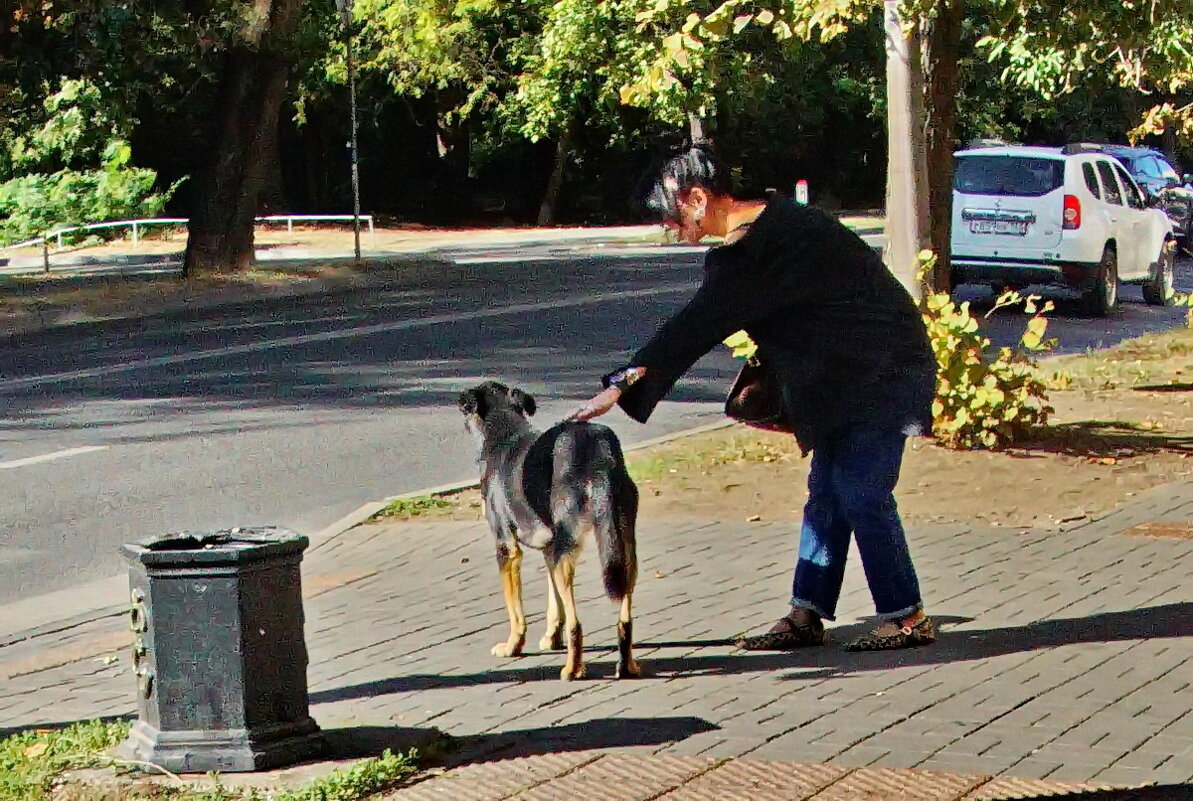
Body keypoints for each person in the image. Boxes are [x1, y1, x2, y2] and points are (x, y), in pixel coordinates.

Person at [566, 144, 938, 652]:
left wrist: (621, 385)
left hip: (885, 373)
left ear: (696, 198)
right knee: (827, 496)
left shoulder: (759, 249)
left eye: (670, 219)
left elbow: (692, 327)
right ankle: (806, 615)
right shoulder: (778, 225)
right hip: (843, 379)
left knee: (860, 491)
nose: (671, 231)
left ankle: (907, 616)